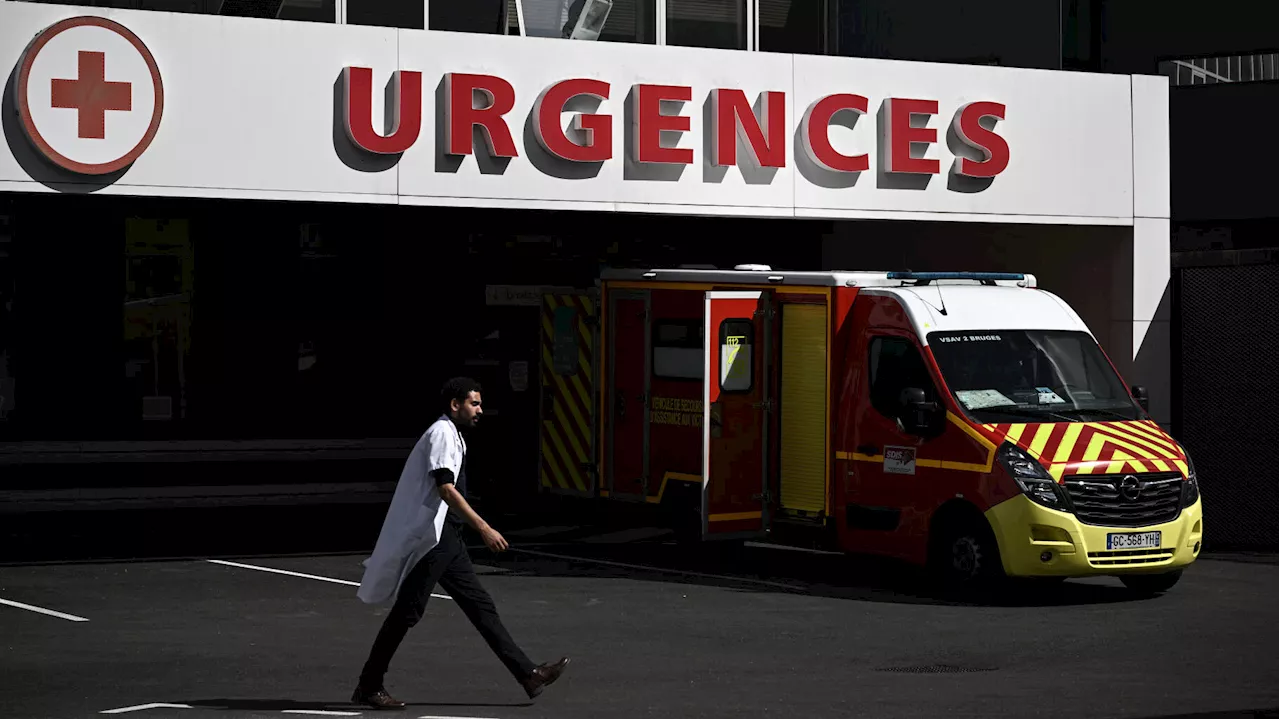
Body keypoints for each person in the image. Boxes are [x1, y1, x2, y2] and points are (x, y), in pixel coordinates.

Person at [352, 376, 569, 709]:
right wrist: (484, 527)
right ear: (456, 405)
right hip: (433, 540)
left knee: (480, 607)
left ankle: (529, 674)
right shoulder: (441, 434)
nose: (480, 409)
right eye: (475, 403)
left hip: (447, 539)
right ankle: (369, 685)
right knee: (407, 613)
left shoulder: (452, 434)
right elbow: (446, 488)